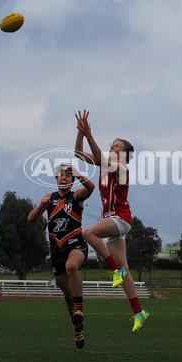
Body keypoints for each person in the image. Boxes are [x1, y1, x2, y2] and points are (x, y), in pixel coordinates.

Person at [74, 109, 149, 333]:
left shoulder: (122, 168)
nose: (112, 146)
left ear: (124, 154)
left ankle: (116, 271)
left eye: (117, 145)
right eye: (112, 144)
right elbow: (79, 154)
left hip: (121, 219)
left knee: (88, 233)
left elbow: (104, 162)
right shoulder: (104, 165)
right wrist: (81, 133)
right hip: (113, 220)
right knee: (126, 267)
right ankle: (139, 311)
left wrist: (89, 135)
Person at [28, 164, 95, 349]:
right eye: (61, 175)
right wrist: (41, 206)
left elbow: (91, 188)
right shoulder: (50, 198)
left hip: (76, 245)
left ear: (72, 181)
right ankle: (77, 328)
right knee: (67, 296)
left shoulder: (77, 196)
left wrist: (78, 172)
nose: (64, 177)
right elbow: (30, 219)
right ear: (56, 179)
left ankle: (79, 308)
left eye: (68, 175)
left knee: (72, 267)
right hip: (57, 250)